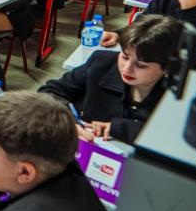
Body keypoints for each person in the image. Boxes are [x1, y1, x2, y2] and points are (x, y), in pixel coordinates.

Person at [41, 15, 182, 144]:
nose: (127, 68)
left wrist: (121, 128)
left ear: (167, 68)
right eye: (125, 57)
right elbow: (49, 91)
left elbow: (174, 139)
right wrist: (67, 122)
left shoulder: (181, 94)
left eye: (141, 65)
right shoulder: (102, 63)